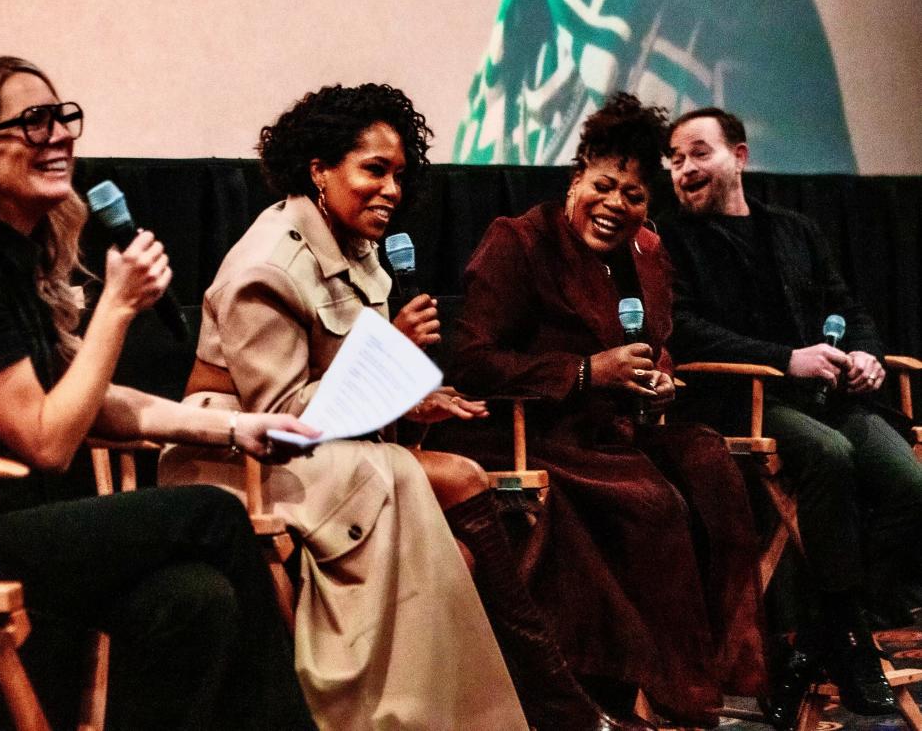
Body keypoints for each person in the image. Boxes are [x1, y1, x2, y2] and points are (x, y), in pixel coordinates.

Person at [0, 56, 317, 730]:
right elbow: (47, 440)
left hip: (9, 528)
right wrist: (117, 309)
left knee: (194, 599)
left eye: (64, 116)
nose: (60, 134)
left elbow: (87, 398)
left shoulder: (8, 260)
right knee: (213, 516)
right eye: (33, 121)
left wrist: (232, 428)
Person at [160, 83, 605, 730]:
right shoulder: (269, 264)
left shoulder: (359, 249)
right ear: (319, 169)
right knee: (457, 477)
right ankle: (547, 706)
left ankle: (536, 703)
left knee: (466, 490)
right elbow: (280, 414)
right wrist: (387, 359)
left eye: (400, 174)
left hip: (322, 446)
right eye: (374, 170)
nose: (391, 190)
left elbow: (338, 396)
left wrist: (411, 397)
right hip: (232, 456)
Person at [447, 93, 767, 727]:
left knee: (713, 469)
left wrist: (660, 377)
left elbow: (660, 342)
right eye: (604, 185)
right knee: (652, 503)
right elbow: (474, 363)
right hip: (530, 431)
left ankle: (734, 678)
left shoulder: (648, 252)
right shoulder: (520, 240)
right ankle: (662, 691)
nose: (616, 205)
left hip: (615, 430)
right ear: (577, 175)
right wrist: (588, 372)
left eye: (636, 195)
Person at [662, 106, 922, 723]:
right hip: (744, 404)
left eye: (699, 153)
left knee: (912, 486)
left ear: (740, 156)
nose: (684, 170)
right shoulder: (671, 242)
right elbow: (686, 331)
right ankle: (850, 640)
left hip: (829, 398)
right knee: (830, 456)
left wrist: (866, 354)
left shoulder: (795, 230)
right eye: (674, 160)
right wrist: (786, 358)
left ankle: (828, 627)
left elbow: (846, 304)